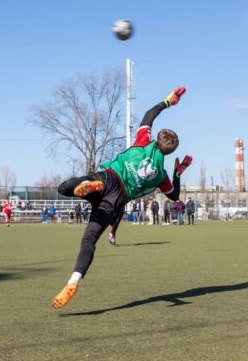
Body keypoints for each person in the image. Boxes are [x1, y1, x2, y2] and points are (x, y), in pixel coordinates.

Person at [51, 86, 192, 309]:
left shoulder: (144, 140)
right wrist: (178, 173)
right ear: (170, 152)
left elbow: (149, 114)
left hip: (108, 178)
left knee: (64, 188)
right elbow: (174, 195)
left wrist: (168, 101)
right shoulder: (161, 176)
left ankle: (90, 187)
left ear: (157, 138)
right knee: (89, 241)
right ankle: (73, 281)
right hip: (116, 199)